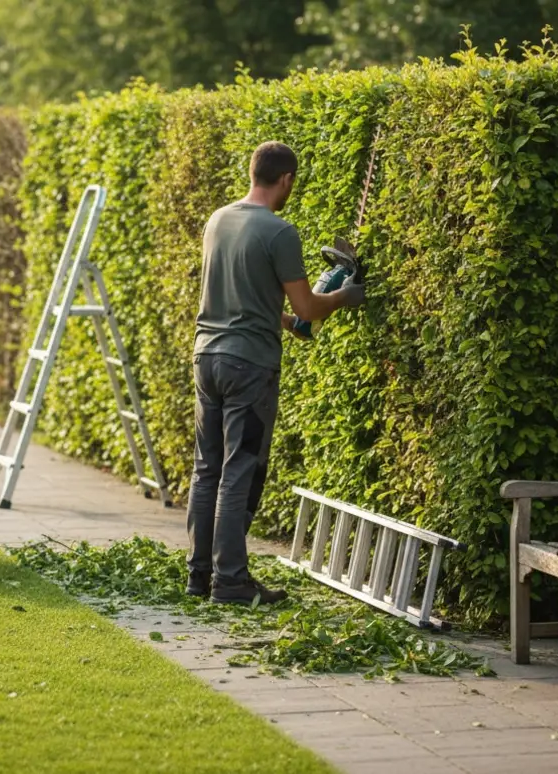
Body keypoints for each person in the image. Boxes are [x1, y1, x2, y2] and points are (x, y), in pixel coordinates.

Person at [187, 141, 367, 605]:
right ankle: (230, 583)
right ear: (285, 180)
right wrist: (343, 298)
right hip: (249, 366)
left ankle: (199, 576)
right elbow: (307, 306)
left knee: (207, 469)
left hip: (207, 356)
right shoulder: (279, 232)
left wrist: (289, 321)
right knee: (238, 472)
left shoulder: (218, 220)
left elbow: (258, 305)